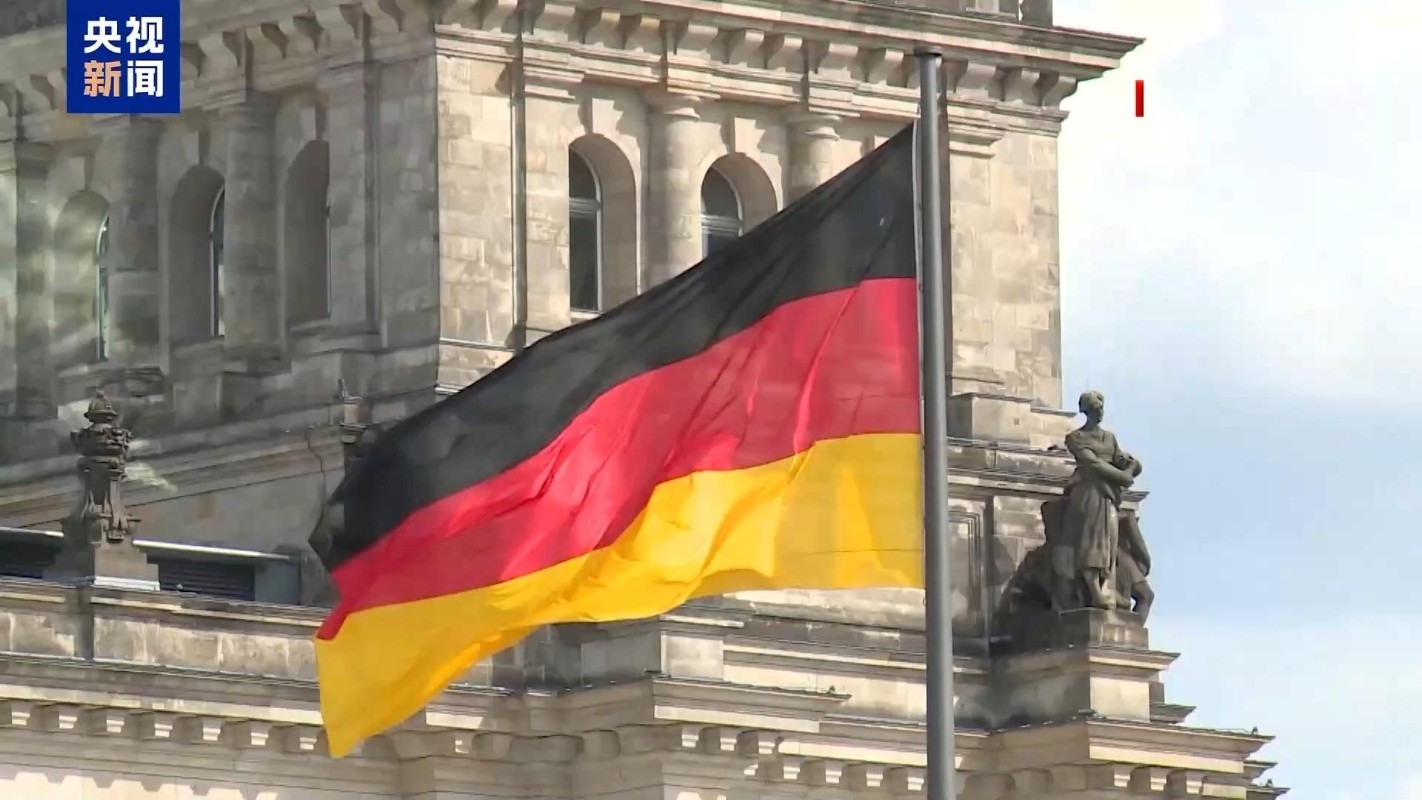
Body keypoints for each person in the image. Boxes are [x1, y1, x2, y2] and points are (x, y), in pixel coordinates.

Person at [1061, 391, 1141, 609]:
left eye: (1102, 408)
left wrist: (1131, 467)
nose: (1100, 412)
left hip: (1109, 495)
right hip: (1089, 493)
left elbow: (1125, 462)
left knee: (1110, 541)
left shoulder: (1110, 438)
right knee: (1092, 540)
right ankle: (1094, 592)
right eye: (1096, 408)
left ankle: (1102, 587)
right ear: (1087, 411)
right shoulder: (1075, 438)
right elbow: (1093, 463)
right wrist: (1124, 477)